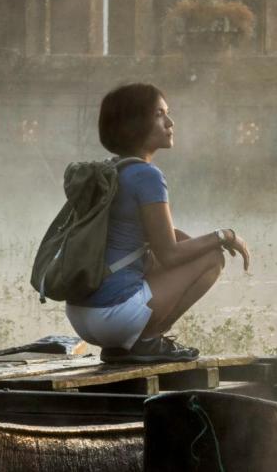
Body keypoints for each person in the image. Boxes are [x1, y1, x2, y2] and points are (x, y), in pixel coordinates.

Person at [65, 83, 252, 364]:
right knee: (212, 258)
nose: (170, 122)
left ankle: (123, 347)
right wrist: (224, 235)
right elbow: (170, 254)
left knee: (180, 243)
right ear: (135, 124)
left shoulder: (109, 171)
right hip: (115, 317)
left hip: (80, 316)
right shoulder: (146, 175)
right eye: (159, 115)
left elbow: (162, 240)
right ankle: (148, 341)